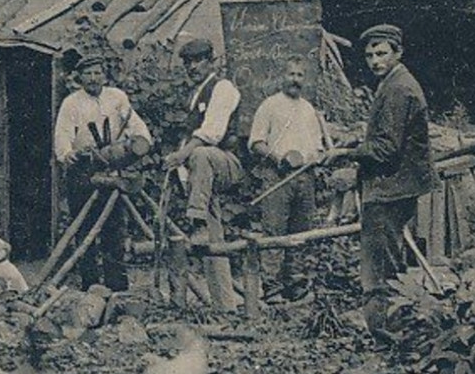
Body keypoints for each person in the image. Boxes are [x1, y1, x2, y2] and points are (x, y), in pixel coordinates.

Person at [324, 24, 435, 338]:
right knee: (389, 259)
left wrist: (346, 154)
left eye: (382, 53)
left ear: (398, 53)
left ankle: (384, 333)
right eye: (370, 54)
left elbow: (386, 149)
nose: (374, 60)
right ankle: (395, 328)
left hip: (390, 188)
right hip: (392, 186)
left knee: (377, 267)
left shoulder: (399, 88)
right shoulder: (392, 83)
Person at [52, 52, 153, 292]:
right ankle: (90, 285)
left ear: (104, 75)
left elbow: (135, 124)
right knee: (84, 227)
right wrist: (66, 153)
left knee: (114, 228)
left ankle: (116, 285)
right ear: (79, 77)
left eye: (97, 73)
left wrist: (141, 140)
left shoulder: (117, 98)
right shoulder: (72, 102)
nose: (93, 78)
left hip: (111, 167)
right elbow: (63, 133)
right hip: (83, 170)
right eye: (88, 74)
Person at [161, 37, 243, 310]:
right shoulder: (195, 94)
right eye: (188, 63)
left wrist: (182, 156)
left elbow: (212, 134)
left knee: (200, 153)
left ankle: (195, 220)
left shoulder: (223, 88)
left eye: (198, 61)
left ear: (212, 61)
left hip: (228, 164)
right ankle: (225, 305)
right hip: (203, 174)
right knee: (213, 236)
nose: (193, 67)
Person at [247, 55, 332, 298]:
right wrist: (279, 158)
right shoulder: (270, 106)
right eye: (291, 74)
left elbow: (316, 146)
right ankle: (272, 289)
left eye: (299, 75)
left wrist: (318, 156)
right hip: (277, 177)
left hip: (305, 178)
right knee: (274, 233)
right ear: (281, 76)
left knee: (301, 233)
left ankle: (295, 287)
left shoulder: (308, 109)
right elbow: (256, 143)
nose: (295, 79)